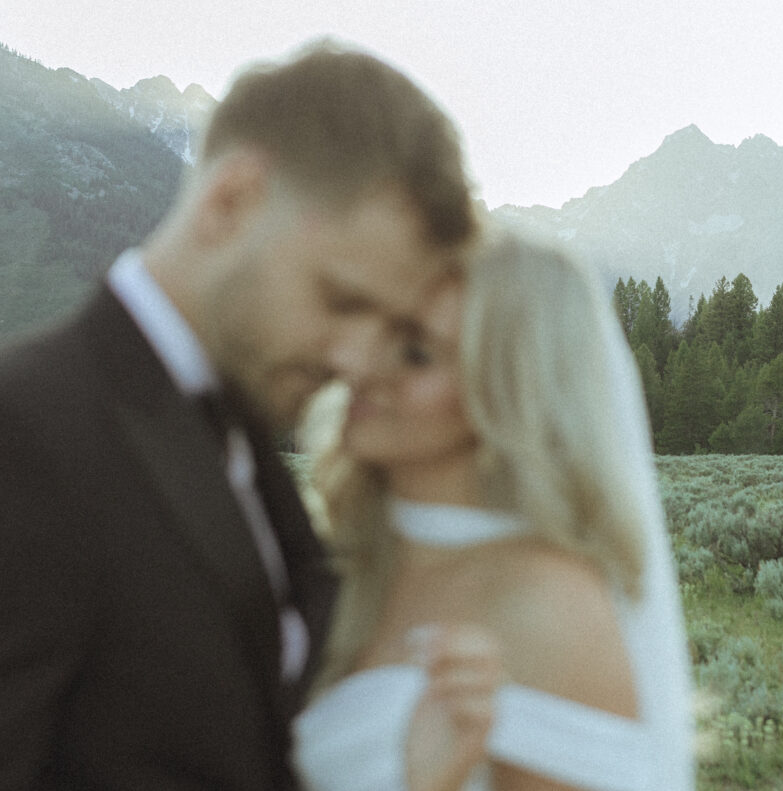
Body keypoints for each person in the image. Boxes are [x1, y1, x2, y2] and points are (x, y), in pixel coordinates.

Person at [0, 40, 496, 790]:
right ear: (231, 201)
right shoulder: (27, 432)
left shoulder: (247, 450)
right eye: (342, 298)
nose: (361, 361)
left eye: (390, 327)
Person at [292, 227, 696, 790]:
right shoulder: (331, 553)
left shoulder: (549, 609)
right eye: (378, 329)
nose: (362, 365)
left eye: (415, 353)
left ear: (503, 393)